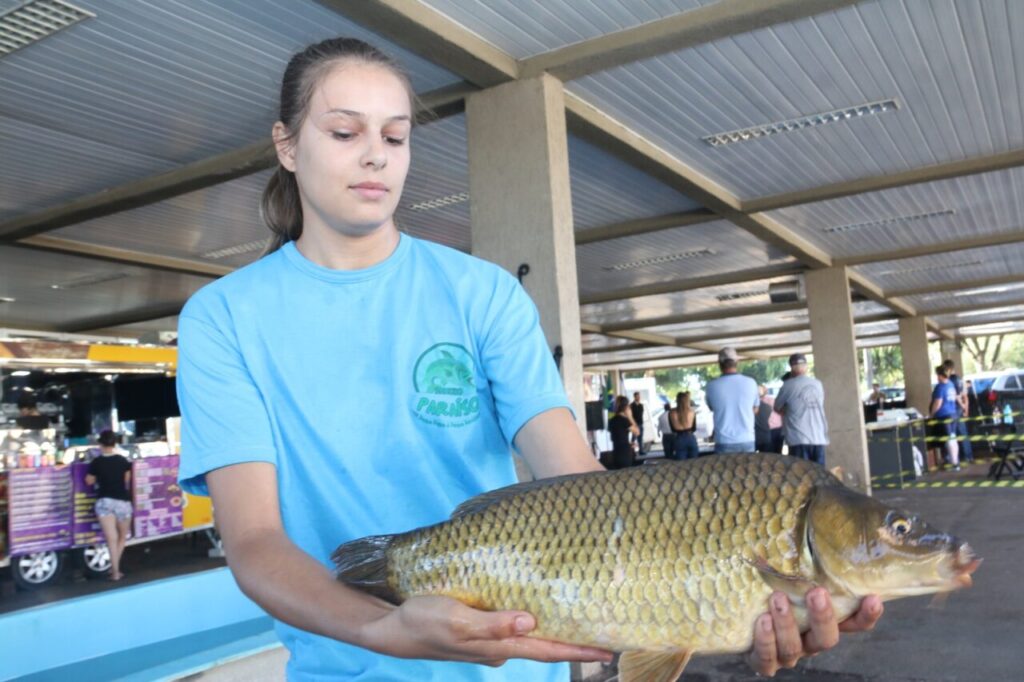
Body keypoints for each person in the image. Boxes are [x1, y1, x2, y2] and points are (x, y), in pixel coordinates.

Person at [175, 37, 880, 681]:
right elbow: (256, 543)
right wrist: (388, 629)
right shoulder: (226, 318)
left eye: (395, 135)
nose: (376, 155)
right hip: (346, 667)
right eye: (344, 132)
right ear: (288, 145)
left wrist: (707, 606)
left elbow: (577, 481)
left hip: (517, 658)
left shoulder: (481, 293)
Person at [85, 430, 132, 581]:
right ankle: (114, 569)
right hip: (122, 502)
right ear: (114, 443)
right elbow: (126, 479)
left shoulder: (96, 462)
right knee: (122, 537)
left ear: (100, 444)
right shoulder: (123, 460)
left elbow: (89, 481)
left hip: (104, 502)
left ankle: (116, 572)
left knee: (111, 539)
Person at [773, 354, 829, 467]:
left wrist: (787, 410)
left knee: (801, 478)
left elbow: (777, 407)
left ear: (791, 368)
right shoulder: (817, 384)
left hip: (798, 438)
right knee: (820, 476)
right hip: (818, 437)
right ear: (806, 367)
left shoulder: (787, 386)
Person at [705, 348, 759, 453]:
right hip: (747, 439)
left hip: (724, 441)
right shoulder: (751, 383)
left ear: (719, 364)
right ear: (737, 362)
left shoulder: (711, 386)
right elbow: (755, 409)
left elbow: (712, 407)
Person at [942, 359, 973, 464]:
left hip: (952, 409)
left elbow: (955, 397)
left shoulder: (949, 382)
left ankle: (953, 458)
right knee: (963, 433)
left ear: (947, 368)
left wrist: (962, 405)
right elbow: (965, 397)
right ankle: (969, 456)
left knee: (951, 434)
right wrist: (966, 410)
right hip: (960, 410)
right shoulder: (961, 380)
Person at [930, 365, 961, 471]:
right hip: (953, 414)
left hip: (943, 415)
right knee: (953, 438)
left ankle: (954, 464)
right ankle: (955, 461)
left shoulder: (940, 387)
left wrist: (932, 414)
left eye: (937, 374)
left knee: (949, 440)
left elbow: (937, 403)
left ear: (939, 375)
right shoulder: (951, 384)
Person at [608, 396, 638, 470]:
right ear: (626, 407)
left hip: (616, 452)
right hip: (625, 453)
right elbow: (637, 432)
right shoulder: (624, 421)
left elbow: (616, 436)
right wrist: (630, 417)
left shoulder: (611, 420)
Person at [670, 392, 700, 460]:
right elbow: (694, 428)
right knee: (694, 463)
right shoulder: (692, 412)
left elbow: (672, 429)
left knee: (681, 464)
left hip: (679, 438)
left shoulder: (672, 413)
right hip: (690, 437)